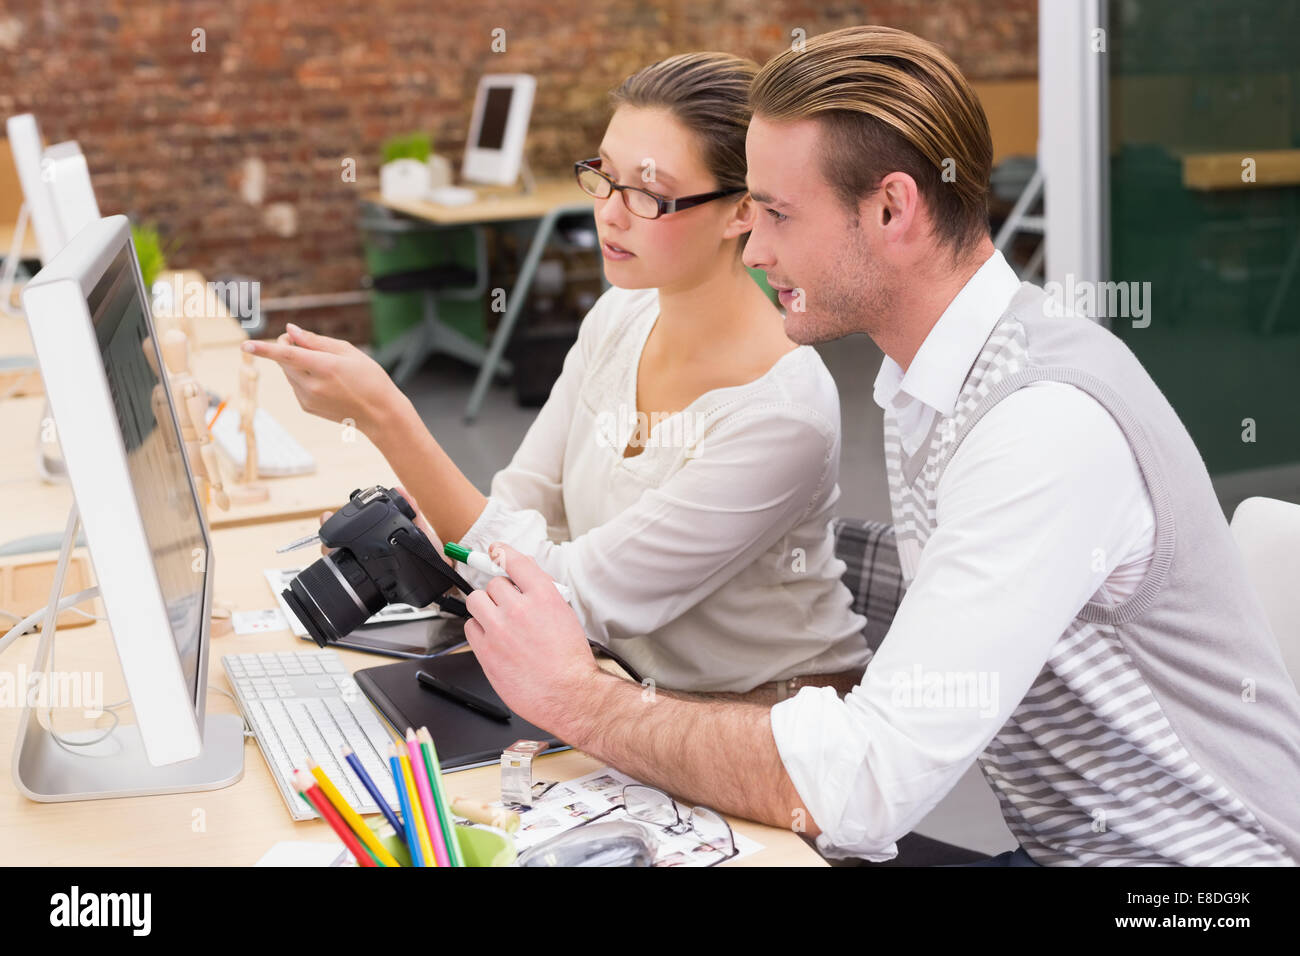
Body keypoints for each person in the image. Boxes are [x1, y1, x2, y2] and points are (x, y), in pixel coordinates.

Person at [456, 25, 1300, 865]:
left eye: (779, 213)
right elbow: (960, 578)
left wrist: (581, 701)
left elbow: (863, 787)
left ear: (894, 207)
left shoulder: (1041, 425)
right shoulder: (935, 379)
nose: (754, 247)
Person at [242, 52, 871, 701]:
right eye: (603, 175)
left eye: (648, 194)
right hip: (620, 681)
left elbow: (571, 594)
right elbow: (521, 502)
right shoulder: (620, 314)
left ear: (742, 210)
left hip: (763, 721)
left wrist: (388, 420)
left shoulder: (780, 414)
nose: (610, 213)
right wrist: (450, 535)